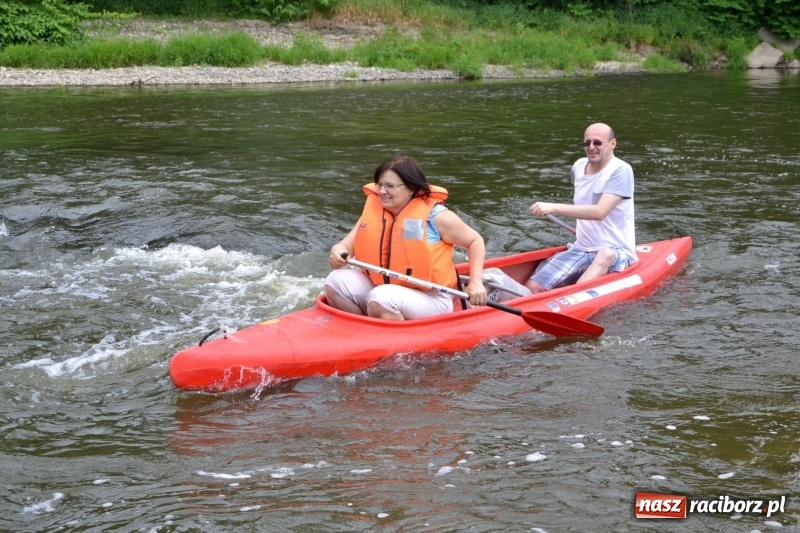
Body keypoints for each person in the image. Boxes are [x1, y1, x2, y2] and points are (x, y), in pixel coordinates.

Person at [325, 155, 487, 321]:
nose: (381, 191)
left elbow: (475, 241)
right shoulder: (374, 214)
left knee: (381, 297)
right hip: (382, 289)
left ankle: (385, 328)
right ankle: (363, 328)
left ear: (411, 188)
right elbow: (345, 245)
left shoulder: (438, 217)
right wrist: (338, 252)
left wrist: (476, 282)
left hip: (432, 298)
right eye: (379, 185)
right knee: (335, 281)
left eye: (390, 186)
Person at [526, 122, 637, 294]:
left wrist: (552, 207)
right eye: (587, 143)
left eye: (597, 143)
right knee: (532, 288)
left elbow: (600, 212)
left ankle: (575, 296)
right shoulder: (578, 167)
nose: (591, 147)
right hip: (581, 247)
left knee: (605, 254)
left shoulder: (621, 170)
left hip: (615, 250)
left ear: (612, 143)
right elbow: (583, 203)